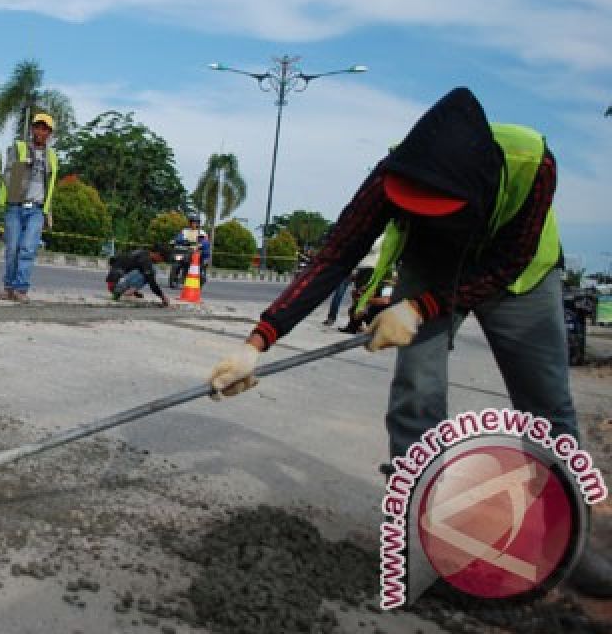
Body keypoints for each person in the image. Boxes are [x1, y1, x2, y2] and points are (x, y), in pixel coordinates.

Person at [206, 87, 611, 596]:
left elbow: (503, 264)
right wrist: (259, 341)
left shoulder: (534, 162)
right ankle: (428, 544)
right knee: (416, 397)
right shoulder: (398, 169)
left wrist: (421, 307)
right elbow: (336, 253)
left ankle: (567, 544)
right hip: (433, 262)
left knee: (547, 407)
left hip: (518, 274)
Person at [0, 112, 57, 302]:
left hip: (37, 209)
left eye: (45, 129)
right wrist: (16, 187)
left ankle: (20, 289)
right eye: (38, 127)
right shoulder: (19, 147)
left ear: (49, 133)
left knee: (28, 249)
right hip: (16, 205)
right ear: (32, 129)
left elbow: (51, 185)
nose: (41, 131)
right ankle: (8, 286)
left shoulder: (52, 157)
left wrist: (48, 212)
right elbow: (7, 172)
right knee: (13, 248)